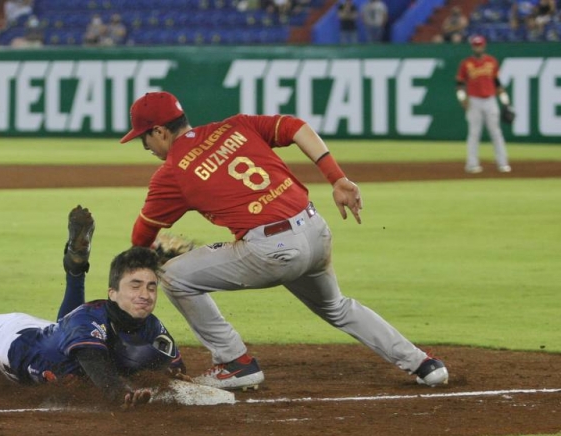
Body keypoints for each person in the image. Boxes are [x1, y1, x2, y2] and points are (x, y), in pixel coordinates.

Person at [118, 91, 449, 391]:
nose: (146, 147)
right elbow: (296, 127)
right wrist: (337, 178)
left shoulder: (172, 172)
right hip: (315, 230)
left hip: (272, 250)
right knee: (337, 307)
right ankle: (423, 364)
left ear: (160, 131)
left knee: (173, 275)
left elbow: (140, 237)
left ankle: (235, 363)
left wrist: (150, 256)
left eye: (144, 139)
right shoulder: (236, 126)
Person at [0, 160, 184, 408]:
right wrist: (124, 393)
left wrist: (173, 378)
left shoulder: (151, 326)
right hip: (7, 339)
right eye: (135, 286)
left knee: (68, 339)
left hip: (55, 335)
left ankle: (76, 268)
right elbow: (106, 381)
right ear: (112, 293)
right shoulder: (90, 321)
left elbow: (178, 374)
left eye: (151, 287)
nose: (145, 295)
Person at [456, 35, 511, 174]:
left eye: (479, 45)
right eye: (475, 45)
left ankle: (502, 163)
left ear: (484, 46)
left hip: (490, 100)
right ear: (472, 47)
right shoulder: (466, 63)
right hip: (474, 101)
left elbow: (497, 83)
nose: (478, 47)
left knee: (496, 132)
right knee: (474, 133)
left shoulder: (491, 62)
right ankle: (472, 164)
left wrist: (505, 102)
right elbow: (460, 84)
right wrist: (462, 99)